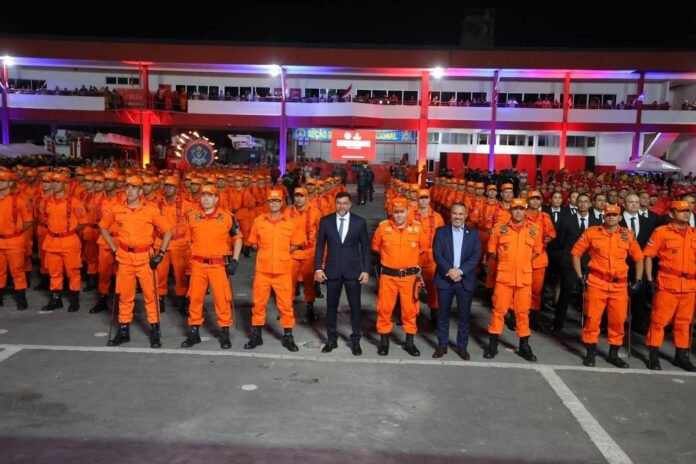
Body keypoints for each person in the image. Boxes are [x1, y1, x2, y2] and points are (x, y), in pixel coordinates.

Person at [100, 176, 173, 348]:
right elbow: (103, 227)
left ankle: (155, 330)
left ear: (141, 191)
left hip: (145, 258)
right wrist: (114, 249)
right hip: (125, 258)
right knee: (125, 296)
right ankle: (123, 330)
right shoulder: (117, 208)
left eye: (134, 188)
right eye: (128, 187)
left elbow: (168, 231)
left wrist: (161, 253)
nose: (130, 191)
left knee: (151, 295)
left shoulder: (151, 209)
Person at [571, 204, 644, 368]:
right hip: (597, 282)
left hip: (619, 285)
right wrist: (579, 276)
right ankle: (590, 353)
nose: (611, 217)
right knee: (592, 319)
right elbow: (575, 253)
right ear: (604, 216)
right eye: (608, 215)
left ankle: (613, 354)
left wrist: (638, 280)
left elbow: (639, 258)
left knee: (618, 321)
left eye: (614, 215)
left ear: (620, 217)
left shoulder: (627, 235)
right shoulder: (592, 233)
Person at [181, 185, 243, 350]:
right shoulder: (193, 217)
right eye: (204, 195)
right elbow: (187, 239)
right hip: (198, 265)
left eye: (210, 195)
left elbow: (238, 237)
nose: (206, 198)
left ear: (216, 199)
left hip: (218, 265)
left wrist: (235, 260)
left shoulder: (227, 217)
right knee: (195, 298)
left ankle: (225, 332)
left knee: (222, 299)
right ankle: (194, 332)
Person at [484, 198, 543, 362]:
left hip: (524, 278)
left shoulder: (534, 229)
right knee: (498, 311)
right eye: (515, 208)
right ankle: (492, 345)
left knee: (523, 313)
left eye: (521, 209)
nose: (518, 211)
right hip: (504, 277)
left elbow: (537, 250)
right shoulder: (499, 228)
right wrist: (506, 262)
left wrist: (523, 261)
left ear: (525, 211)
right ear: (510, 210)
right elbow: (492, 250)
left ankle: (524, 346)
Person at [245, 189, 304, 352]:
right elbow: (254, 243)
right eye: (271, 201)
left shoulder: (291, 223)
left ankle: (288, 336)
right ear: (267, 203)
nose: (274, 204)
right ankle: (256, 335)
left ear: (281, 203)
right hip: (262, 271)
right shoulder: (259, 222)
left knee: (286, 305)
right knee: (258, 304)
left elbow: (295, 244)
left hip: (283, 271)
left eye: (277, 201)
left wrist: (281, 254)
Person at [314, 192, 370, 355]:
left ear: (350, 205)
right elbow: (319, 246)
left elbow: (365, 247)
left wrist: (365, 270)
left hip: (353, 271)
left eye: (345, 203)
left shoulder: (359, 222)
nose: (342, 206)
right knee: (331, 307)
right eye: (339, 203)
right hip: (332, 271)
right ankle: (331, 340)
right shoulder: (326, 221)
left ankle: (356, 341)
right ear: (335, 203)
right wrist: (318, 268)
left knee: (355, 307)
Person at [372, 197, 429, 356]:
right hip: (388, 277)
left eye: (402, 212)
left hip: (409, 278)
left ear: (408, 211)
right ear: (392, 212)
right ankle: (384, 343)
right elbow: (376, 247)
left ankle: (409, 343)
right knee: (384, 309)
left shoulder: (417, 228)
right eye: (396, 212)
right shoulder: (383, 228)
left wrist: (408, 260)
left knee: (410, 310)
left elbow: (424, 248)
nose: (399, 215)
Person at [644, 200, 696, 371]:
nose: (686, 213)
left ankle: (681, 356)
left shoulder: (694, 234)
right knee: (659, 322)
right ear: (672, 214)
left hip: (689, 286)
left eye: (688, 210)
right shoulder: (661, 232)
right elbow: (648, 256)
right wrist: (649, 279)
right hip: (667, 284)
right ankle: (653, 356)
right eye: (682, 211)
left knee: (684, 323)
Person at [431, 202, 481, 359]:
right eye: (455, 213)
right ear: (450, 214)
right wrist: (450, 271)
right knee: (443, 315)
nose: (457, 217)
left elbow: (475, 257)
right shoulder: (441, 232)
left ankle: (462, 347)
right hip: (445, 279)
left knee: (464, 317)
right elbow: (437, 254)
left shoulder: (473, 234)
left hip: (464, 280)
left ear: (465, 215)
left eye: (460, 214)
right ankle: (442, 345)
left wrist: (459, 271)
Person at [42, 172, 88, 312]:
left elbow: (83, 221)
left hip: (69, 242)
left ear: (65, 184)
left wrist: (69, 232)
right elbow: (43, 219)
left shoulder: (74, 202)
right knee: (54, 272)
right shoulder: (46, 201)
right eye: (53, 182)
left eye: (58, 182)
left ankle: (74, 300)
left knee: (73, 272)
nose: (54, 185)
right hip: (52, 242)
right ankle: (56, 299)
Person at [285, 187, 322, 322]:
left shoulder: (315, 212)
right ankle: (287, 310)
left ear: (307, 198)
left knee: (309, 282)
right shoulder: (287, 212)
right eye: (297, 196)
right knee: (289, 283)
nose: (299, 199)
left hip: (309, 252)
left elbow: (321, 231)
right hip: (292, 252)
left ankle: (310, 308)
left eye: (302, 196)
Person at [0, 170, 33, 309]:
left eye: (2, 180)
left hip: (14, 241)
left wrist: (17, 232)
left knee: (17, 270)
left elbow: (28, 220)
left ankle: (21, 298)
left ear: (10, 183)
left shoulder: (19, 201)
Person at [413, 189, 445, 326]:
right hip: (414, 255)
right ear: (417, 199)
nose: (423, 200)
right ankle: (412, 314)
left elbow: (443, 237)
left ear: (430, 200)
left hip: (432, 256)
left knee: (433, 286)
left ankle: (435, 312)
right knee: (412, 286)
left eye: (426, 198)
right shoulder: (410, 215)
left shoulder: (438, 217)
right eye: (421, 198)